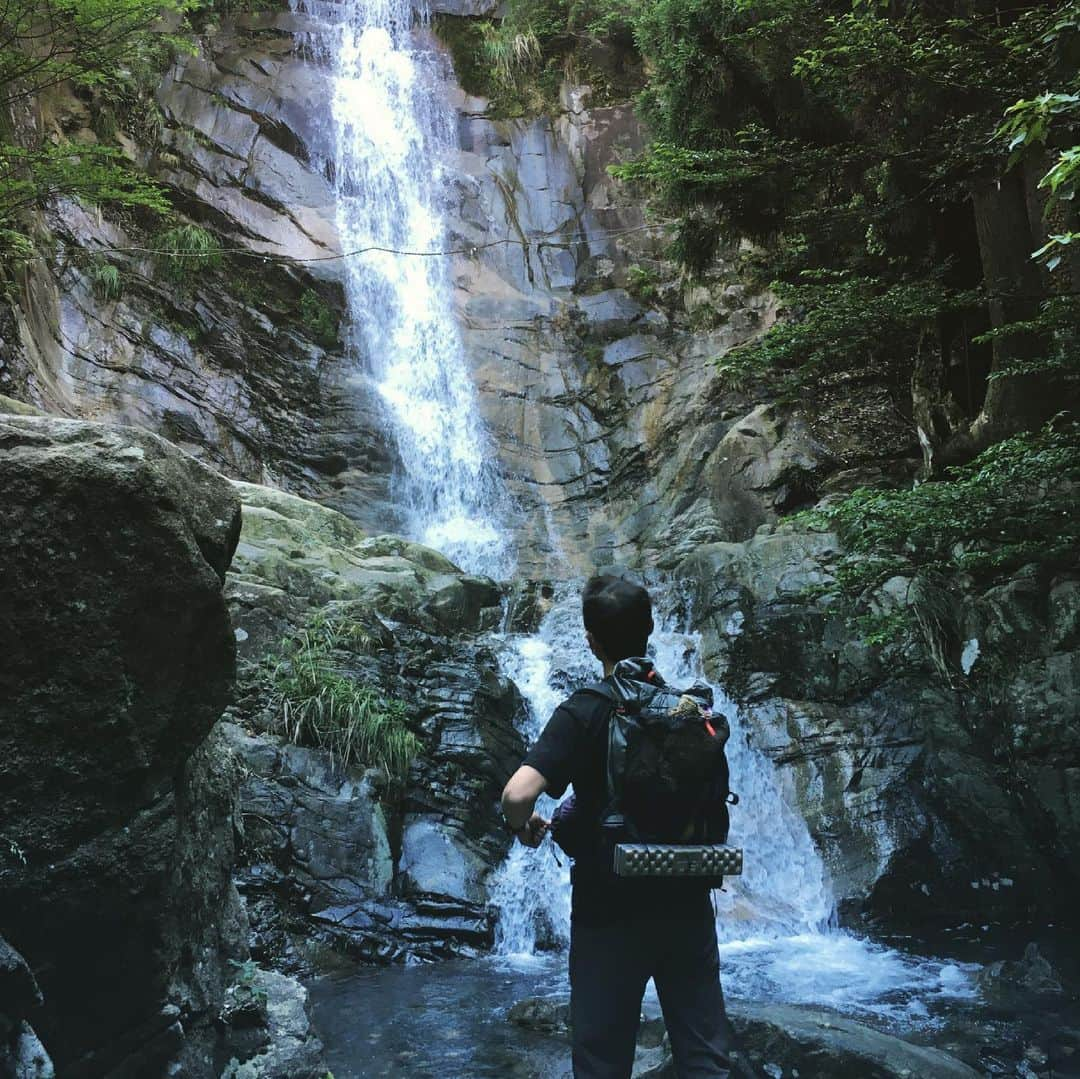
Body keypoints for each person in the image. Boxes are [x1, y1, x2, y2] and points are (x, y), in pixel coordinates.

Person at [501, 574, 736, 1079]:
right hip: (687, 898)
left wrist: (526, 827)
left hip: (610, 909)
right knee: (705, 1057)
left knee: (602, 1062)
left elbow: (517, 794)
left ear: (591, 641)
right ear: (650, 630)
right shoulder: (687, 709)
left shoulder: (585, 709)